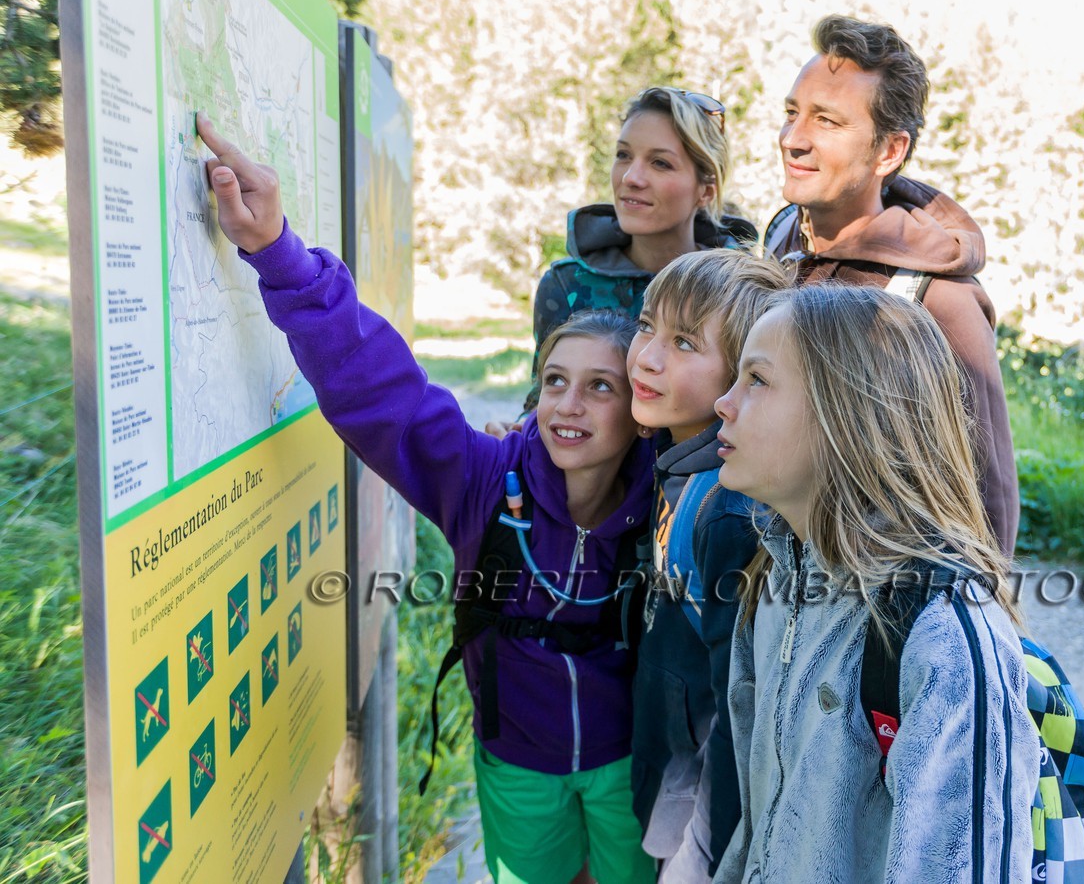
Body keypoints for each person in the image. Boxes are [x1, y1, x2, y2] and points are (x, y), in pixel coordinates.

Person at [197, 115, 656, 883]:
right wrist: (278, 254)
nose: (567, 406)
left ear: (639, 406)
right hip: (518, 761)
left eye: (599, 387)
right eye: (553, 382)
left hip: (628, 760)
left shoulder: (668, 494)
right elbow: (380, 389)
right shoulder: (483, 479)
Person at [711, 283, 1035, 883]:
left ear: (849, 408)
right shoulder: (776, 578)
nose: (722, 404)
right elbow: (761, 824)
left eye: (756, 379)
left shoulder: (942, 634)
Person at [763, 15, 1020, 557]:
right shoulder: (780, 240)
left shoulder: (934, 295)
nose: (793, 139)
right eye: (792, 113)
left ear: (889, 152)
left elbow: (987, 500)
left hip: (867, 600)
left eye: (827, 122)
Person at [625, 250, 789, 882]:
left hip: (708, 812)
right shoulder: (676, 465)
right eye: (646, 326)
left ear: (743, 375)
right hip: (675, 780)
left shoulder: (726, 509)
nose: (646, 355)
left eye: (685, 341)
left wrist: (718, 854)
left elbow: (735, 708)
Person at [520, 86, 756, 414]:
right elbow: (542, 402)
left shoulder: (742, 292)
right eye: (623, 155)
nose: (631, 177)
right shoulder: (565, 286)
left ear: (706, 190)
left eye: (660, 163)